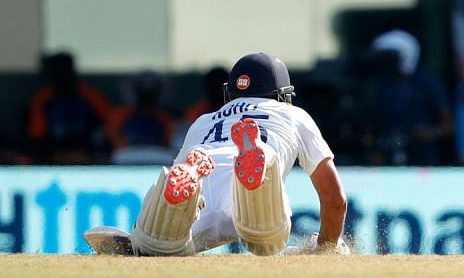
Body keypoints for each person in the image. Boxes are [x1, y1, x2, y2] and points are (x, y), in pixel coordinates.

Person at [86, 52, 349, 256]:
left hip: (205, 176)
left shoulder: (204, 120)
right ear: (281, 94)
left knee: (165, 247)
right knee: (267, 241)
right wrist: (327, 247)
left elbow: (172, 185)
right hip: (252, 200)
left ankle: (149, 239)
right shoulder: (293, 115)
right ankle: (256, 183)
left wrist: (138, 237)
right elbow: (335, 199)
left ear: (230, 92)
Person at [368, 30, 454, 166]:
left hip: (423, 161)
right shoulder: (383, 86)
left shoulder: (428, 83)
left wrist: (428, 133)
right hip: (387, 160)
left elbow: (449, 125)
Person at [25, 52, 114, 164]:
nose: (63, 75)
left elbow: (110, 125)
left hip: (86, 150)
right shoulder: (42, 98)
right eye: (58, 71)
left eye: (65, 70)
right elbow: (36, 133)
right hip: (54, 151)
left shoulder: (90, 94)